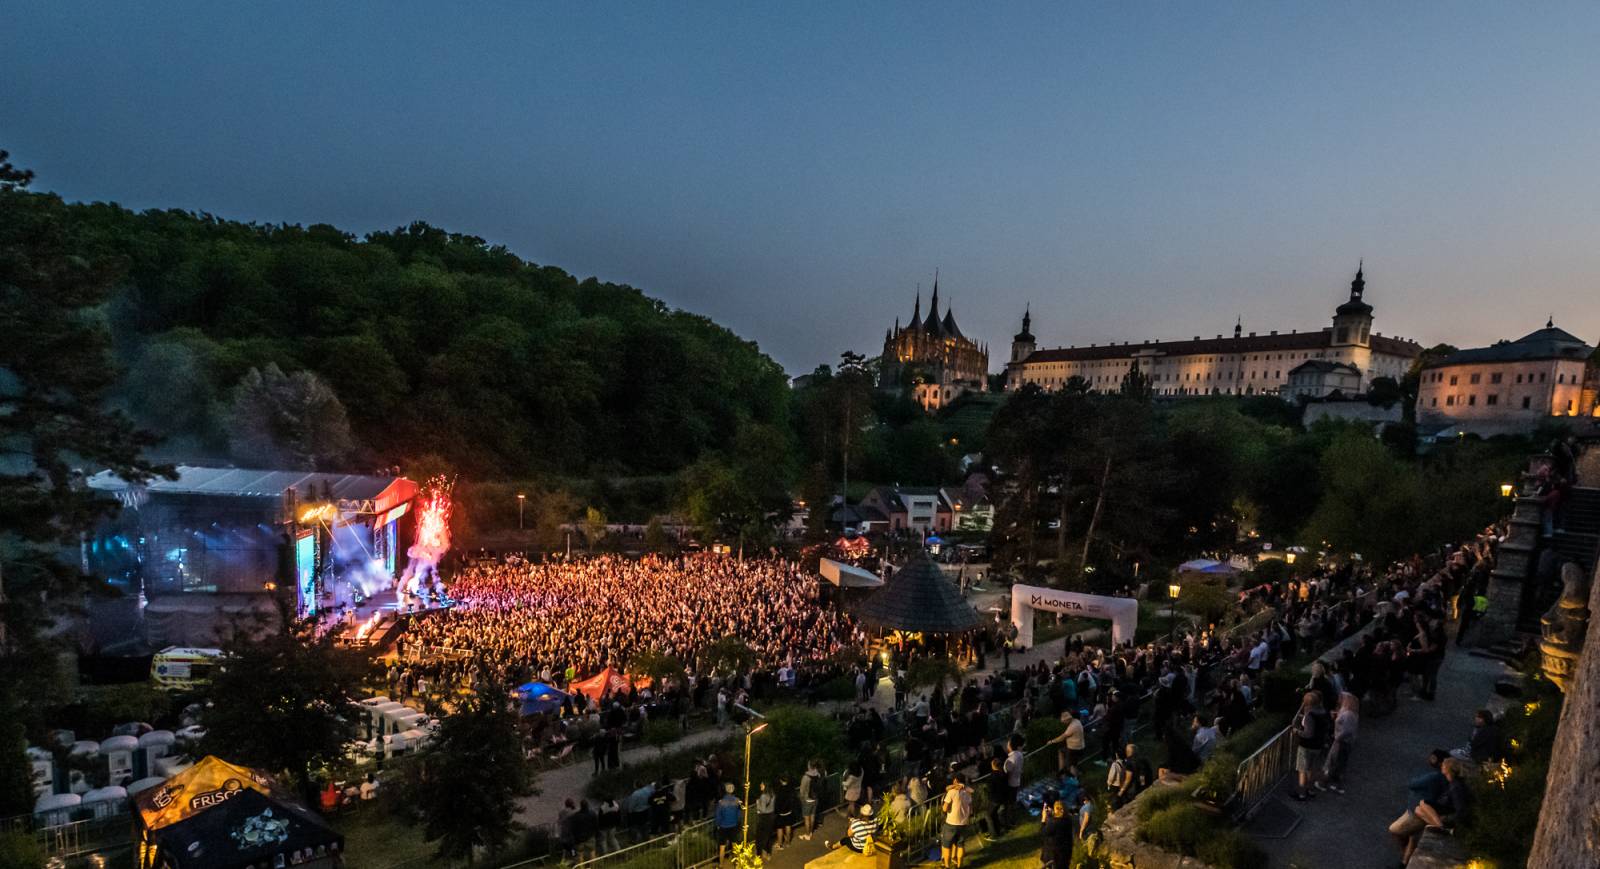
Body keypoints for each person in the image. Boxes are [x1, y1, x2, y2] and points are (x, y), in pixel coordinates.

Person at [1291, 691, 1332, 801]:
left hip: (1306, 746)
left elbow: (1308, 734)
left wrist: (1297, 731)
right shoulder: (1322, 711)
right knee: (1312, 769)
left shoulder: (1310, 715)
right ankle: (1310, 790)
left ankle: (1301, 794)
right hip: (1318, 745)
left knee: (1302, 769)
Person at [1323, 692, 1359, 793]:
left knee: (1334, 762)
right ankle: (1335, 785)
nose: (1339, 699)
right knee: (1340, 763)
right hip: (1345, 742)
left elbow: (1347, 730)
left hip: (1341, 742)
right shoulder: (1351, 712)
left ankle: (1326, 783)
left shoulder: (1348, 714)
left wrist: (1337, 737)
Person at [940, 773, 973, 869]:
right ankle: (959, 866)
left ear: (955, 780)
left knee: (946, 845)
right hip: (963, 823)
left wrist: (944, 807)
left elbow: (945, 809)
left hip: (951, 823)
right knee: (960, 845)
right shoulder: (968, 791)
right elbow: (971, 808)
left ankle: (946, 866)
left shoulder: (952, 792)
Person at [1045, 710, 1085, 778]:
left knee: (1072, 765)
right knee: (1061, 751)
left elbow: (1062, 737)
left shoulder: (1072, 726)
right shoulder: (1077, 721)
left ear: (1068, 719)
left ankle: (1074, 780)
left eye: (1064, 721)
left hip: (1074, 748)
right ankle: (1062, 772)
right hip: (1080, 746)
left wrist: (1052, 741)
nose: (1064, 723)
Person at [1039, 801, 1074, 869]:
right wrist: (1052, 813)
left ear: (1056, 809)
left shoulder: (1053, 822)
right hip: (1065, 854)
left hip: (1054, 856)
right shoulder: (1068, 820)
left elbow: (1043, 833)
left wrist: (1043, 818)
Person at [714, 783, 741, 862]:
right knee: (735, 846)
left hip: (723, 826)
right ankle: (737, 864)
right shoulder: (737, 800)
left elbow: (718, 816)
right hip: (734, 825)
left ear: (725, 790)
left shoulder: (721, 802)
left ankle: (721, 865)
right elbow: (739, 813)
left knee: (722, 847)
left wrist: (718, 825)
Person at [799, 760, 823, 841]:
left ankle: (807, 834)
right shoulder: (818, 774)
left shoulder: (805, 777)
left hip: (807, 800)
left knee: (807, 818)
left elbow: (802, 791)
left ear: (809, 766)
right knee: (812, 816)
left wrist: (802, 800)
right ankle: (811, 832)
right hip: (816, 799)